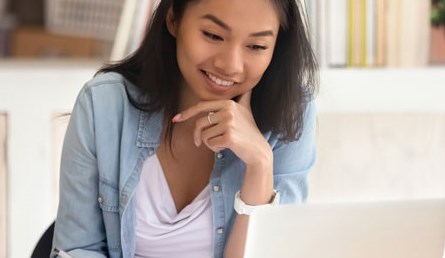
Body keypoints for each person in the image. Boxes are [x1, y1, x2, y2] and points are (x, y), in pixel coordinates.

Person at [51, 0, 318, 257]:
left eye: (257, 46)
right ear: (173, 19)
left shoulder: (290, 114)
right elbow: (77, 249)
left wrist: (260, 164)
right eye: (213, 35)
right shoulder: (104, 105)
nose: (231, 65)